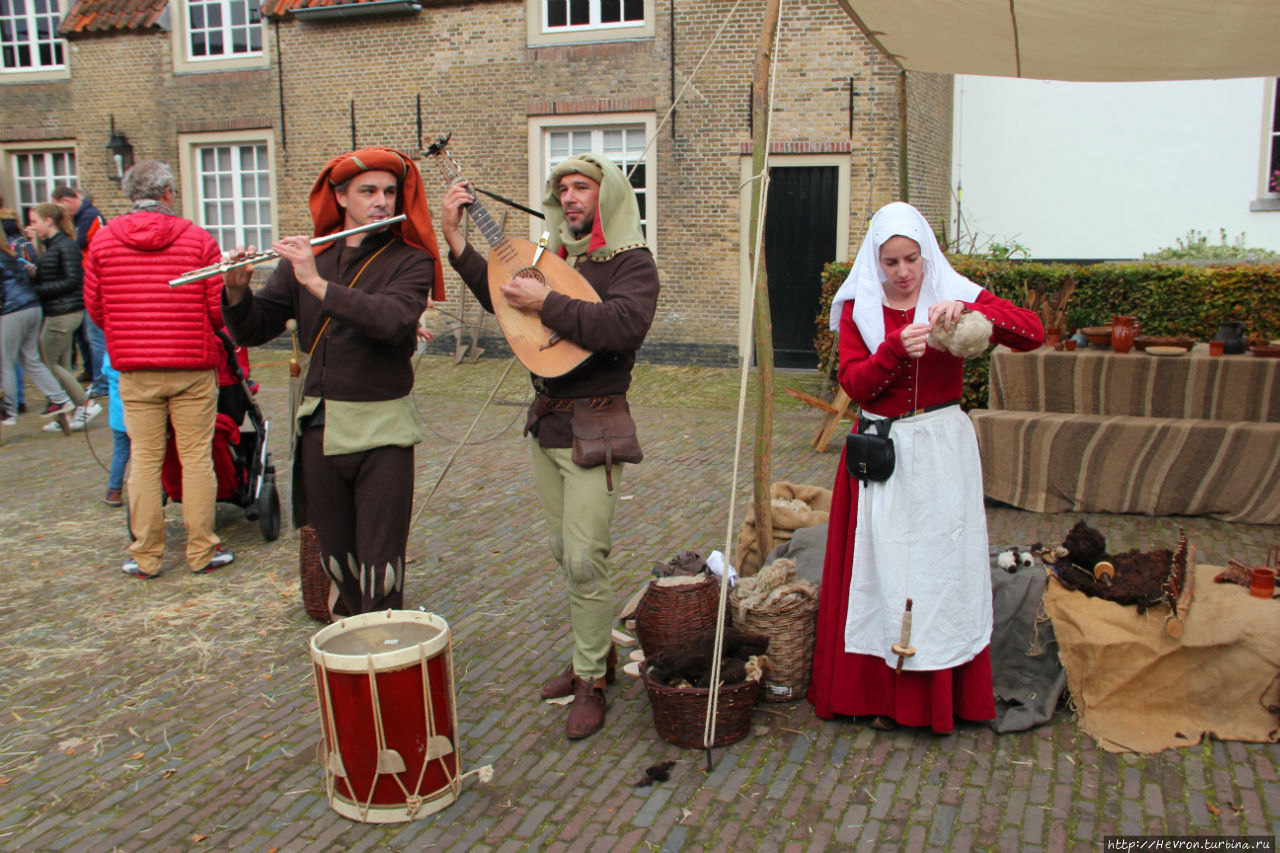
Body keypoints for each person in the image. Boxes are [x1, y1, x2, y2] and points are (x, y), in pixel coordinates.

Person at [440, 153, 659, 739]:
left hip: (597, 427)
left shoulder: (632, 264)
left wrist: (549, 303)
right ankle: (598, 657)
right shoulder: (552, 259)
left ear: (606, 195)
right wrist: (457, 242)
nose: (569, 198)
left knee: (587, 558)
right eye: (562, 188)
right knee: (566, 555)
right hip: (548, 425)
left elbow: (623, 326)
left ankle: (591, 682)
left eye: (582, 187)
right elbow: (506, 302)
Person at [808, 201, 1043, 734]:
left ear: (925, 254)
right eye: (890, 262)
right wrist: (893, 349)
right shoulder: (857, 310)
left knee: (939, 571)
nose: (903, 272)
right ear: (875, 262)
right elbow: (857, 385)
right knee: (880, 572)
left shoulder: (950, 291)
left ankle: (940, 695)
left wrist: (971, 309)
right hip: (883, 455)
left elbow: (1033, 332)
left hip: (941, 451)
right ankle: (879, 696)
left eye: (911, 258)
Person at [222, 147, 443, 614]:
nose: (381, 201)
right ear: (341, 197)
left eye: (389, 191)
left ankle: (386, 648)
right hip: (319, 426)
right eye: (368, 191)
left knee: (381, 563)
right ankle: (349, 652)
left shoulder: (410, 260)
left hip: (382, 428)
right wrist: (236, 290)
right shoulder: (309, 257)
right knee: (337, 559)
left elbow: (391, 319)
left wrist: (316, 284)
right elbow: (255, 328)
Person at [83, 160, 233, 579]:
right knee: (195, 458)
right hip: (190, 365)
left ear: (131, 195)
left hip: (135, 368)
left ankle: (146, 555)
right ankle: (202, 549)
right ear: (168, 193)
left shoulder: (103, 242)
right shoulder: (197, 239)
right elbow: (217, 312)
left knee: (145, 460)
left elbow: (96, 309)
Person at [25, 202, 96, 428]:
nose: (32, 226)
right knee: (61, 364)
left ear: (49, 221)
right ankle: (67, 415)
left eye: (35, 221)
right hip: (60, 310)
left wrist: (37, 290)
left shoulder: (64, 246)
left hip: (63, 312)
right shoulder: (54, 245)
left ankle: (84, 404)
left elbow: (73, 280)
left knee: (47, 362)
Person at [0, 229, 76, 429]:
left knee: (5, 363)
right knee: (30, 359)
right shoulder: (10, 253)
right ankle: (60, 398)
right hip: (32, 306)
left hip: (11, 309)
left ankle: (8, 411)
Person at [52, 185, 108, 399]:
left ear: (69, 200)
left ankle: (100, 382)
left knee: (95, 335)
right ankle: (91, 372)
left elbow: (78, 244)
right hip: (86, 279)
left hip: (92, 279)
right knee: (86, 333)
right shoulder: (84, 216)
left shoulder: (89, 215)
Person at [100, 351, 130, 506]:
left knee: (120, 452)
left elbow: (105, 370)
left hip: (118, 415)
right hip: (141, 412)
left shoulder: (111, 353)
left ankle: (113, 491)